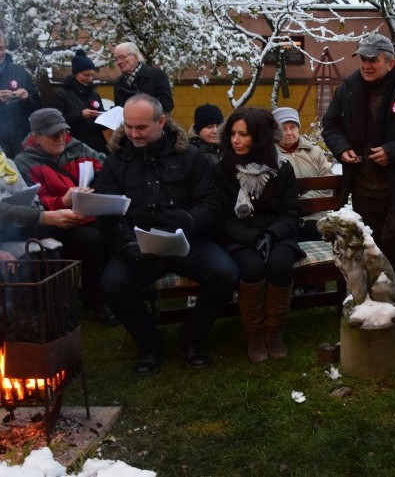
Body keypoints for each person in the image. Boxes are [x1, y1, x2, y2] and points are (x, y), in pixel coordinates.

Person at [96, 94, 239, 375]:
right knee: (113, 284)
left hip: (188, 241)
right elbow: (107, 212)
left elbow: (211, 204)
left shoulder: (190, 156)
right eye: (128, 127)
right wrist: (126, 246)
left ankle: (192, 339)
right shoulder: (116, 162)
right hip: (138, 245)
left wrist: (190, 221)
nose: (133, 134)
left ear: (161, 122)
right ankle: (150, 345)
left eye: (141, 127)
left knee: (225, 273)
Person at [321, 33, 395, 322]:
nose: (367, 65)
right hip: (363, 182)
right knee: (370, 241)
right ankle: (374, 295)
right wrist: (342, 148)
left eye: (373, 59)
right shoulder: (347, 89)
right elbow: (331, 125)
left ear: (390, 62)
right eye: (363, 59)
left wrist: (392, 151)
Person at [215, 108, 305, 362]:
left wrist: (270, 234)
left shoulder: (281, 169)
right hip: (239, 236)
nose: (235, 140)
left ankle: (274, 332)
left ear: (260, 136)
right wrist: (251, 238)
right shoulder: (223, 169)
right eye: (232, 134)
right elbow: (222, 217)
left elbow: (290, 213)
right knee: (252, 266)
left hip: (277, 234)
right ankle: (254, 334)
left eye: (243, 134)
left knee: (279, 264)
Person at [14, 108, 115, 324]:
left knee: (113, 229)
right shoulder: (23, 162)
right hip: (54, 222)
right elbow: (32, 203)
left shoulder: (76, 146)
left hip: (87, 214)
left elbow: (106, 166)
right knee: (92, 239)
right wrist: (64, 201)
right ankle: (96, 299)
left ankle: (108, 293)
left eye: (63, 132)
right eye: (53, 135)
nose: (61, 138)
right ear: (36, 137)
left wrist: (95, 188)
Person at [273, 106, 334, 241]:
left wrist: (305, 202)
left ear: (298, 128)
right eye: (283, 129)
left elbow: (327, 185)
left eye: (293, 127)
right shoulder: (270, 157)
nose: (289, 132)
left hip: (317, 215)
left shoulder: (315, 152)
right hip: (285, 219)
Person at [50, 49, 108, 153]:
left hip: (97, 147)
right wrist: (80, 115)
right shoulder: (61, 95)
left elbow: (102, 126)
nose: (89, 79)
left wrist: (106, 118)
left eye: (92, 75)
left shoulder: (94, 95)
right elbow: (57, 123)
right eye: (86, 75)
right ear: (75, 74)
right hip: (74, 147)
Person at [0, 32, 42, 157]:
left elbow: (38, 107)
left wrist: (27, 98)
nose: (0, 53)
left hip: (21, 142)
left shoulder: (20, 73)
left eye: (1, 48)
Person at [112, 42, 174, 113]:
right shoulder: (118, 82)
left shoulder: (157, 75)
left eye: (122, 57)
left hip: (153, 123)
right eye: (116, 59)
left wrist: (143, 101)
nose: (118, 62)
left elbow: (168, 104)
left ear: (135, 57)